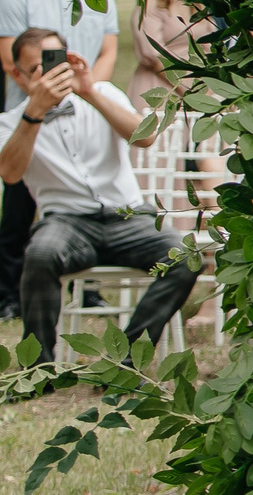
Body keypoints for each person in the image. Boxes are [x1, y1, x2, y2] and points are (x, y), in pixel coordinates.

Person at [0, 30, 197, 362]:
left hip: (129, 216)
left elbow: (144, 138)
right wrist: (34, 112)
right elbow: (10, 173)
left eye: (57, 62)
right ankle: (38, 367)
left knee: (184, 256)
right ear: (18, 75)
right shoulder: (9, 123)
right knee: (40, 254)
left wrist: (89, 92)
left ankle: (129, 358)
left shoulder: (102, 92)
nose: (50, 74)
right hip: (66, 224)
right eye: (38, 68)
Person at [0, 0, 123, 316]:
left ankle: (87, 290)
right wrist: (44, 94)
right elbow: (8, 58)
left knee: (87, 198)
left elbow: (108, 50)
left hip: (84, 107)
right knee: (19, 206)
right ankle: (8, 295)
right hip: (33, 112)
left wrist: (87, 90)